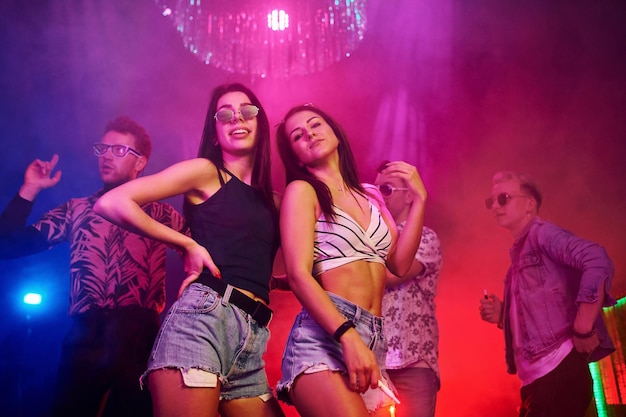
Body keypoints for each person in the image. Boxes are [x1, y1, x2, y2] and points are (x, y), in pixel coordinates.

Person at [94, 83, 285, 417]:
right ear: (215, 133)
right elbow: (112, 203)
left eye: (247, 111)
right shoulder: (207, 172)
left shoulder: (276, 201)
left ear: (261, 123)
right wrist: (185, 243)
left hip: (253, 338)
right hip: (203, 321)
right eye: (225, 114)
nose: (236, 118)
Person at [0, 116, 187, 417]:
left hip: (139, 337)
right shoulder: (78, 210)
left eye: (119, 150)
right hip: (84, 336)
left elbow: (207, 255)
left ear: (141, 163)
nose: (107, 156)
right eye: (103, 148)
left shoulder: (160, 214)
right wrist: (29, 189)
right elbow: (6, 245)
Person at [274, 104, 427, 417]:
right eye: (298, 136)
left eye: (316, 124)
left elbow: (398, 264)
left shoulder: (370, 194)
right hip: (326, 336)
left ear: (335, 133)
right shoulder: (302, 192)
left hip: (373, 337)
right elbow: (299, 274)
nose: (310, 134)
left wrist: (420, 200)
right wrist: (347, 335)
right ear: (296, 157)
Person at [479, 171, 615, 417]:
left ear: (529, 204)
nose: (495, 207)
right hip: (538, 382)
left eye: (504, 198)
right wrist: (503, 315)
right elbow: (539, 312)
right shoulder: (519, 257)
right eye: (491, 202)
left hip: (558, 374)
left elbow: (596, 259)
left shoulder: (542, 233)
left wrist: (584, 327)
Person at [374, 160, 442, 417]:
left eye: (387, 190)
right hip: (373, 363)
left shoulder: (426, 237)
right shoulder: (371, 236)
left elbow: (392, 274)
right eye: (375, 189)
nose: (378, 197)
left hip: (413, 365)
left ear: (410, 196)